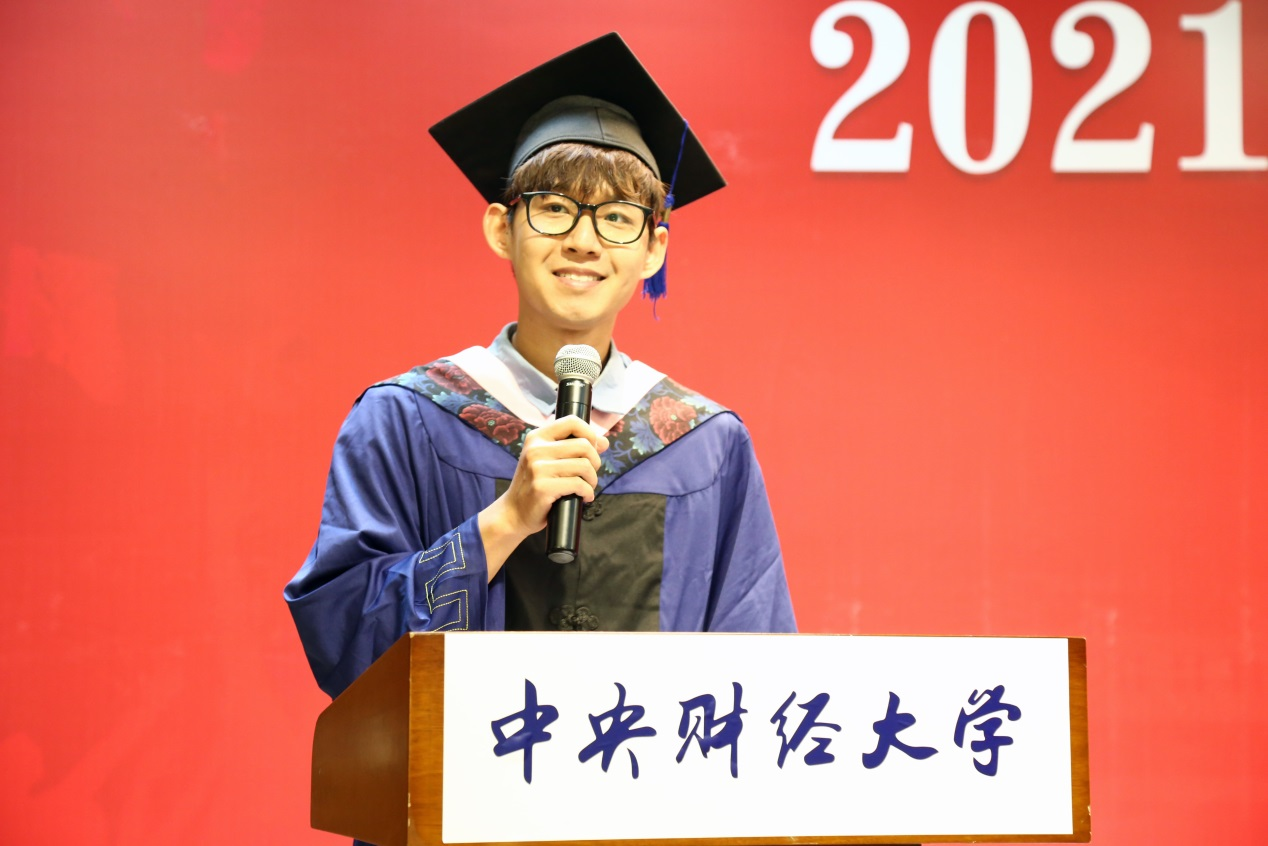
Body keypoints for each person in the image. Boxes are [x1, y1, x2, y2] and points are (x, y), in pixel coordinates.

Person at [285, 33, 796, 700]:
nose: (583, 241)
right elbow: (346, 646)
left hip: (643, 771)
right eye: (555, 208)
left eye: (617, 218)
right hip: (461, 770)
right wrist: (503, 521)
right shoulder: (405, 420)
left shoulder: (706, 446)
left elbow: (758, 679)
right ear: (502, 228)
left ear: (653, 250)